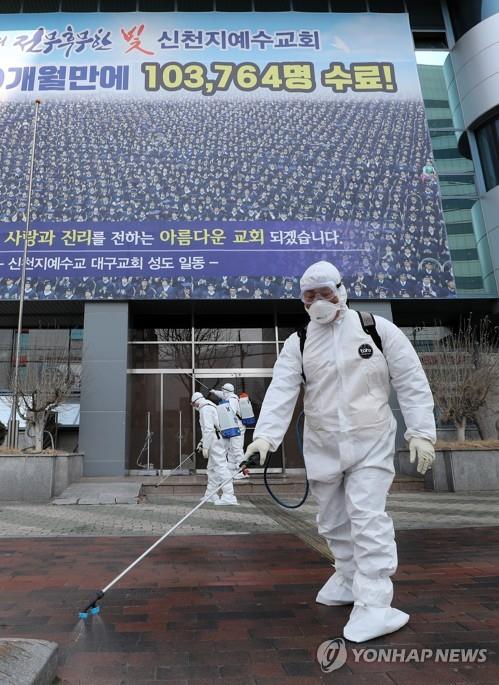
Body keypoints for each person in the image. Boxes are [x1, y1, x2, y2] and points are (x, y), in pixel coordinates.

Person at [244, 260, 436, 643]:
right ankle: (347, 576)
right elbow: (282, 390)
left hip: (372, 441)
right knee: (331, 521)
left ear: (341, 289)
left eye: (325, 292)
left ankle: (376, 603)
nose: (318, 301)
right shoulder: (298, 341)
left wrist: (422, 433)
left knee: (366, 517)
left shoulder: (375, 330)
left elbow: (411, 380)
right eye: (309, 295)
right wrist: (264, 438)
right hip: (323, 445)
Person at [191, 392, 238, 506]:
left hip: (216, 441)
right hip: (217, 439)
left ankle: (229, 496)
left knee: (221, 467)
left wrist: (205, 447)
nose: (194, 407)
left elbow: (208, 429)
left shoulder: (204, 409)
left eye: (193, 405)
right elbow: (212, 428)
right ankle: (211, 495)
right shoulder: (211, 406)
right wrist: (202, 442)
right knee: (212, 468)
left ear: (196, 402)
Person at [210, 383, 249, 481]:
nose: (222, 392)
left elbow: (230, 412)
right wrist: (214, 392)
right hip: (234, 427)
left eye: (223, 390)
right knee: (232, 450)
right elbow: (222, 394)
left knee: (237, 449)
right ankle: (233, 471)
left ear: (226, 391)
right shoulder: (230, 396)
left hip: (237, 428)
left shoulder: (232, 400)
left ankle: (243, 472)